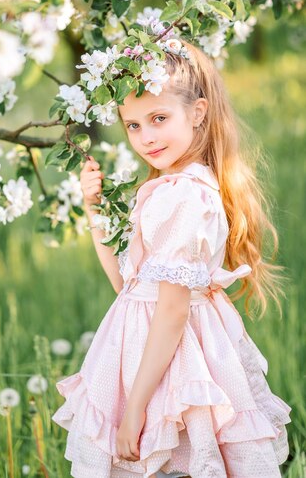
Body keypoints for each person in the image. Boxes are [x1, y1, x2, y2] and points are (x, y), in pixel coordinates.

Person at [51, 39, 292, 478]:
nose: (146, 138)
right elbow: (130, 289)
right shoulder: (172, 187)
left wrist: (135, 408)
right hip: (150, 353)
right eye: (133, 125)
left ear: (197, 113)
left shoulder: (185, 194)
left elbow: (173, 308)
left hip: (175, 360)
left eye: (159, 119)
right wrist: (94, 211)